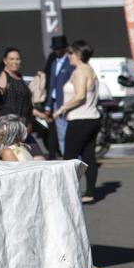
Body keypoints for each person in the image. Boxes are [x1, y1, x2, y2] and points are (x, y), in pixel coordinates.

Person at [52, 40, 102, 201]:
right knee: (88, 157)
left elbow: (80, 95)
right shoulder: (89, 70)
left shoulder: (81, 71)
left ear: (78, 54)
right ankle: (90, 193)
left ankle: (68, 194)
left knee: (69, 158)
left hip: (80, 119)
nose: (69, 56)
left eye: (71, 53)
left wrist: (62, 108)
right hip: (91, 118)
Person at [44, 35, 73, 159]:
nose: (58, 51)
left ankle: (73, 158)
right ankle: (67, 157)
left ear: (66, 48)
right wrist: (48, 105)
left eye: (61, 48)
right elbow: (51, 86)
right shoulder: (54, 63)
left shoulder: (71, 62)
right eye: (56, 48)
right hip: (56, 103)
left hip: (68, 102)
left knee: (69, 132)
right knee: (61, 133)